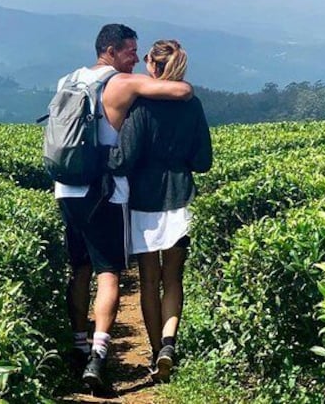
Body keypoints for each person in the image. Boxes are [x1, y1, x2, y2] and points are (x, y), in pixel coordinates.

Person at [53, 24, 193, 390]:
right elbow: (179, 90)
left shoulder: (68, 80)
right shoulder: (121, 83)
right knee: (109, 274)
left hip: (66, 187)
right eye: (131, 51)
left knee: (79, 268)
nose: (135, 57)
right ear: (111, 51)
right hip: (102, 191)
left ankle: (78, 344)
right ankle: (98, 359)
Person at [108, 39, 212, 383]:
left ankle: (156, 354)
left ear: (152, 66)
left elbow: (124, 159)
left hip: (144, 201)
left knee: (149, 281)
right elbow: (203, 161)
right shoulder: (192, 105)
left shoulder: (141, 107)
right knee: (174, 279)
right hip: (180, 198)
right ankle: (170, 343)